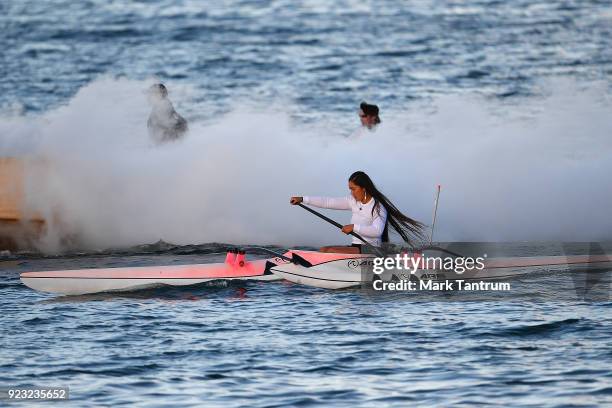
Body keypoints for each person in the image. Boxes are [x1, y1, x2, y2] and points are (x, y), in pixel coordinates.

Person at [290, 171, 424, 253]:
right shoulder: (352, 201)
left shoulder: (378, 207)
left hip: (371, 250)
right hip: (356, 247)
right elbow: (327, 202)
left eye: (353, 189)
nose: (351, 192)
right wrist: (303, 199)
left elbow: (377, 231)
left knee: (328, 251)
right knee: (324, 250)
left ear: (363, 189)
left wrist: (354, 227)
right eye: (350, 189)